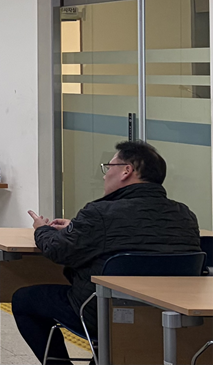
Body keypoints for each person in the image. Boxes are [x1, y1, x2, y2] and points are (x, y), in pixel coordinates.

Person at [16, 141, 200, 365]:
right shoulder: (185, 215)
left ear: (126, 171)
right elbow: (138, 233)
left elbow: (56, 249)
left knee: (23, 300)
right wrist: (77, 227)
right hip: (168, 313)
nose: (105, 175)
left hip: (104, 313)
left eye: (109, 167)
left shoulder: (99, 213)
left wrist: (41, 229)